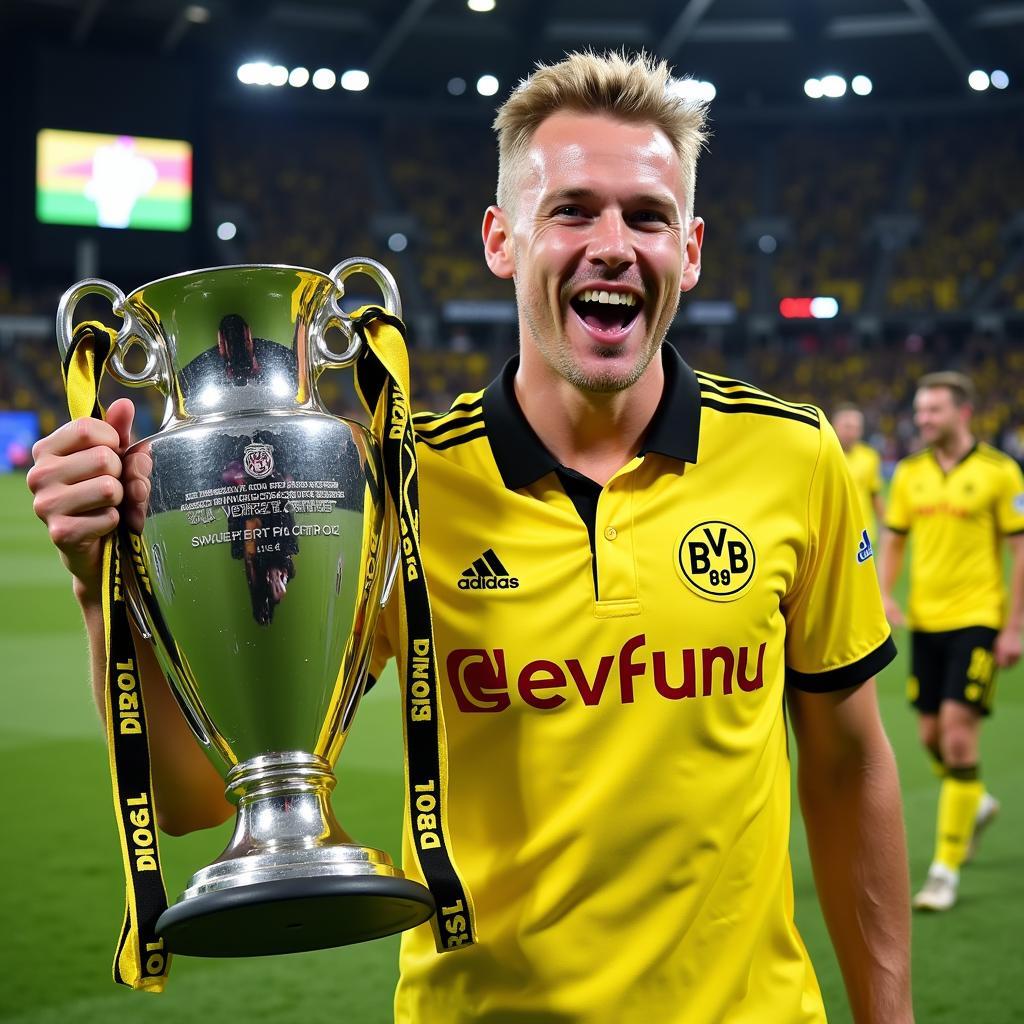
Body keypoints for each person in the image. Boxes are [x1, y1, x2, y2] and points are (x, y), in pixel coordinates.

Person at [28, 52, 912, 1024]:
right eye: (572, 209)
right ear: (501, 239)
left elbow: (846, 762)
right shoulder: (386, 484)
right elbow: (198, 798)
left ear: (690, 250)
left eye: (646, 215)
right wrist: (98, 581)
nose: (612, 243)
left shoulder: (793, 454)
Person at [879, 371, 1024, 912]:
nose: (922, 419)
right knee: (930, 737)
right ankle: (976, 801)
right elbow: (893, 542)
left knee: (960, 738)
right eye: (919, 410)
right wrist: (884, 594)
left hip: (978, 619)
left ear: (962, 414)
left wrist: (1013, 627)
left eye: (933, 410)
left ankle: (945, 869)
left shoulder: (999, 473)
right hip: (927, 621)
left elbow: (1019, 552)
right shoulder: (911, 474)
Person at [832, 403, 884, 545]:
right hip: (831, 531)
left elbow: (874, 493)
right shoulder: (824, 455)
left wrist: (883, 525)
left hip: (863, 533)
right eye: (848, 427)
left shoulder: (870, 457)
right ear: (834, 425)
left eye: (857, 428)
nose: (852, 432)